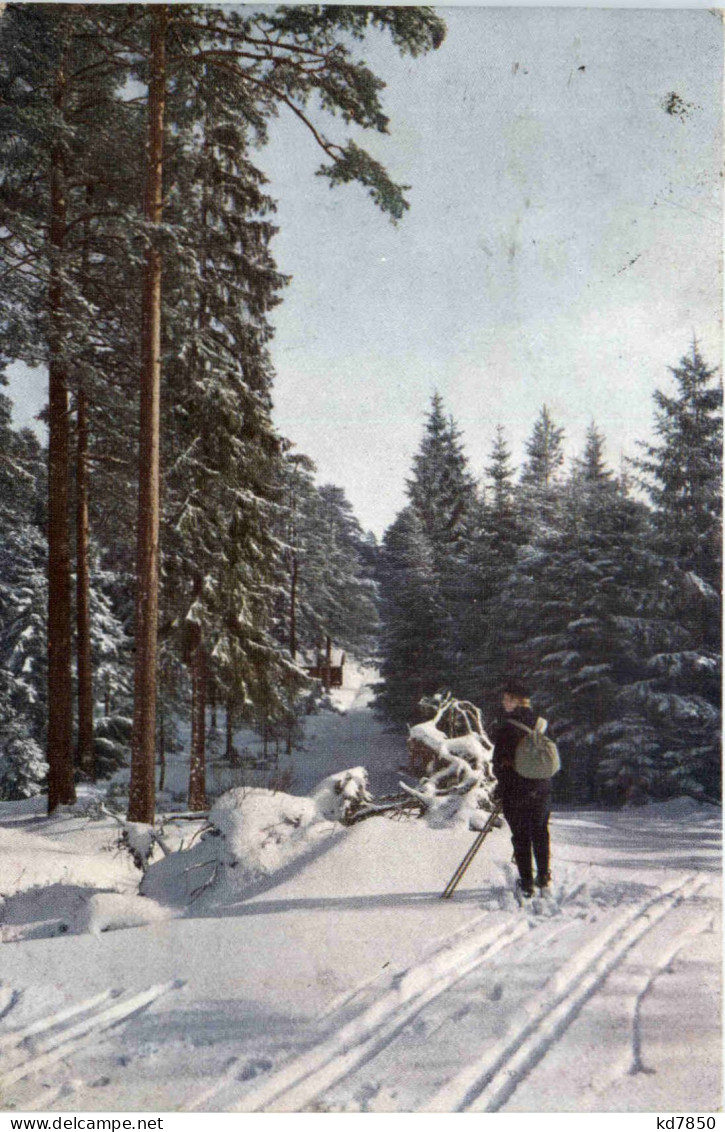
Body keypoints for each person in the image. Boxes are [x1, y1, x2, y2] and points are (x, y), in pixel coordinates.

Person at [492, 679, 551, 899]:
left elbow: (499, 762)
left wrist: (502, 787)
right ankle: (544, 878)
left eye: (506, 699)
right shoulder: (542, 724)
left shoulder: (507, 727)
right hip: (542, 787)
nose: (503, 703)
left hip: (516, 790)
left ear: (515, 701)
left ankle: (526, 882)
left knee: (521, 836)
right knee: (540, 832)